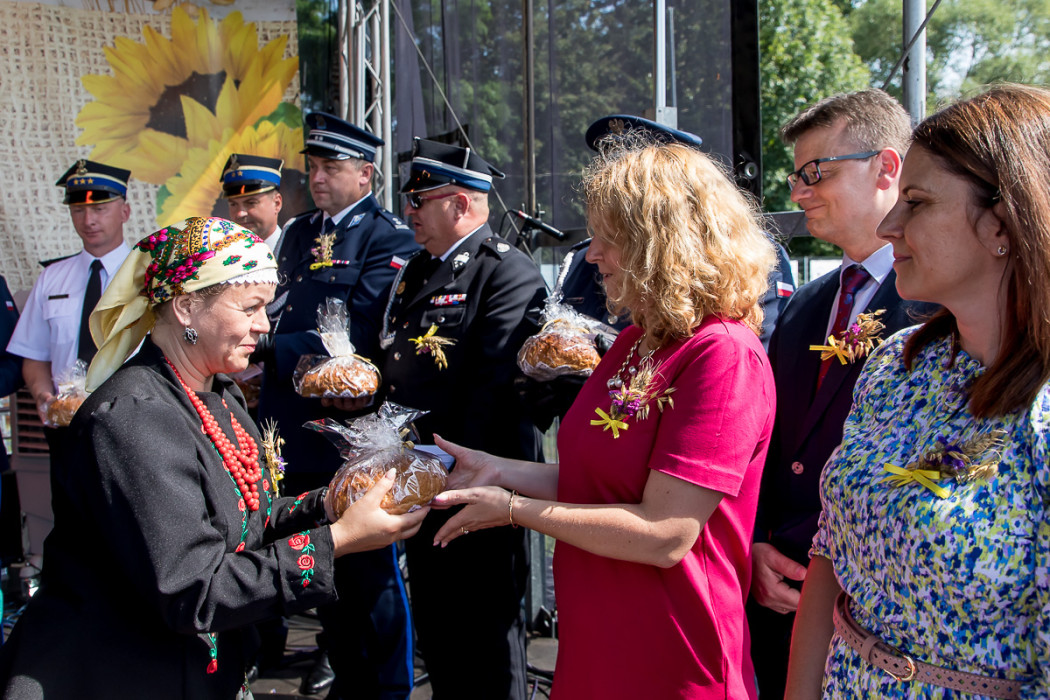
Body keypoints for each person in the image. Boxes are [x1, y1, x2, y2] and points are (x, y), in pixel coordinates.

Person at [0, 216, 427, 699]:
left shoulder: (219, 394)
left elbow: (242, 520)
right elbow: (193, 590)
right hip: (123, 676)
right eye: (250, 308)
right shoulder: (135, 417)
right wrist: (338, 540)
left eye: (265, 307)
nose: (264, 325)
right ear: (185, 307)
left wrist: (331, 504)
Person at [430, 138, 776, 698]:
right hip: (598, 638)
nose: (592, 255)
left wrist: (514, 510)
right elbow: (599, 483)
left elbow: (665, 534)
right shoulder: (636, 341)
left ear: (660, 242)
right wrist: (497, 469)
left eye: (608, 238)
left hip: (672, 651)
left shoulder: (723, 354)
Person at [786, 83, 1050, 698]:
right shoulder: (897, 367)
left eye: (918, 203)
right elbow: (831, 554)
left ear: (1004, 222)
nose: (890, 225)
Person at [747, 89, 936, 698]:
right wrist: (756, 543)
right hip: (778, 599)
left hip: (881, 616)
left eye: (817, 173)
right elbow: (772, 442)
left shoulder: (937, 307)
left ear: (886, 168)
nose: (800, 193)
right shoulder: (805, 304)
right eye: (796, 178)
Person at [253, 112, 420, 699]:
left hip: (346, 437)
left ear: (365, 174)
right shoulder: (297, 233)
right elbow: (272, 306)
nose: (317, 178)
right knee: (319, 576)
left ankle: (387, 691)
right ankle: (349, 684)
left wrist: (265, 348)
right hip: (288, 429)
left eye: (331, 167)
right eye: (313, 167)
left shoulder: (386, 237)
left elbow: (360, 335)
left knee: (369, 579)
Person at [376, 138, 546, 700]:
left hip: (481, 489)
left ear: (461, 204)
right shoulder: (415, 270)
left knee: (488, 648)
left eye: (419, 200)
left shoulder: (506, 271)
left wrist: (438, 471)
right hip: (422, 486)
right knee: (441, 638)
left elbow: (494, 393)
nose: (409, 211)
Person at [7, 160, 132, 425]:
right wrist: (43, 396)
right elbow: (34, 354)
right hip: (67, 420)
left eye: (99, 209)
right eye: (78, 210)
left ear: (125, 212)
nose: (88, 220)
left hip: (133, 418)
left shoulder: (147, 273)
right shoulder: (52, 278)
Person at [222, 153, 285, 253]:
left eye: (251, 203)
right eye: (233, 204)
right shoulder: (225, 256)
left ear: (277, 203)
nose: (240, 213)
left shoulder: (298, 253)